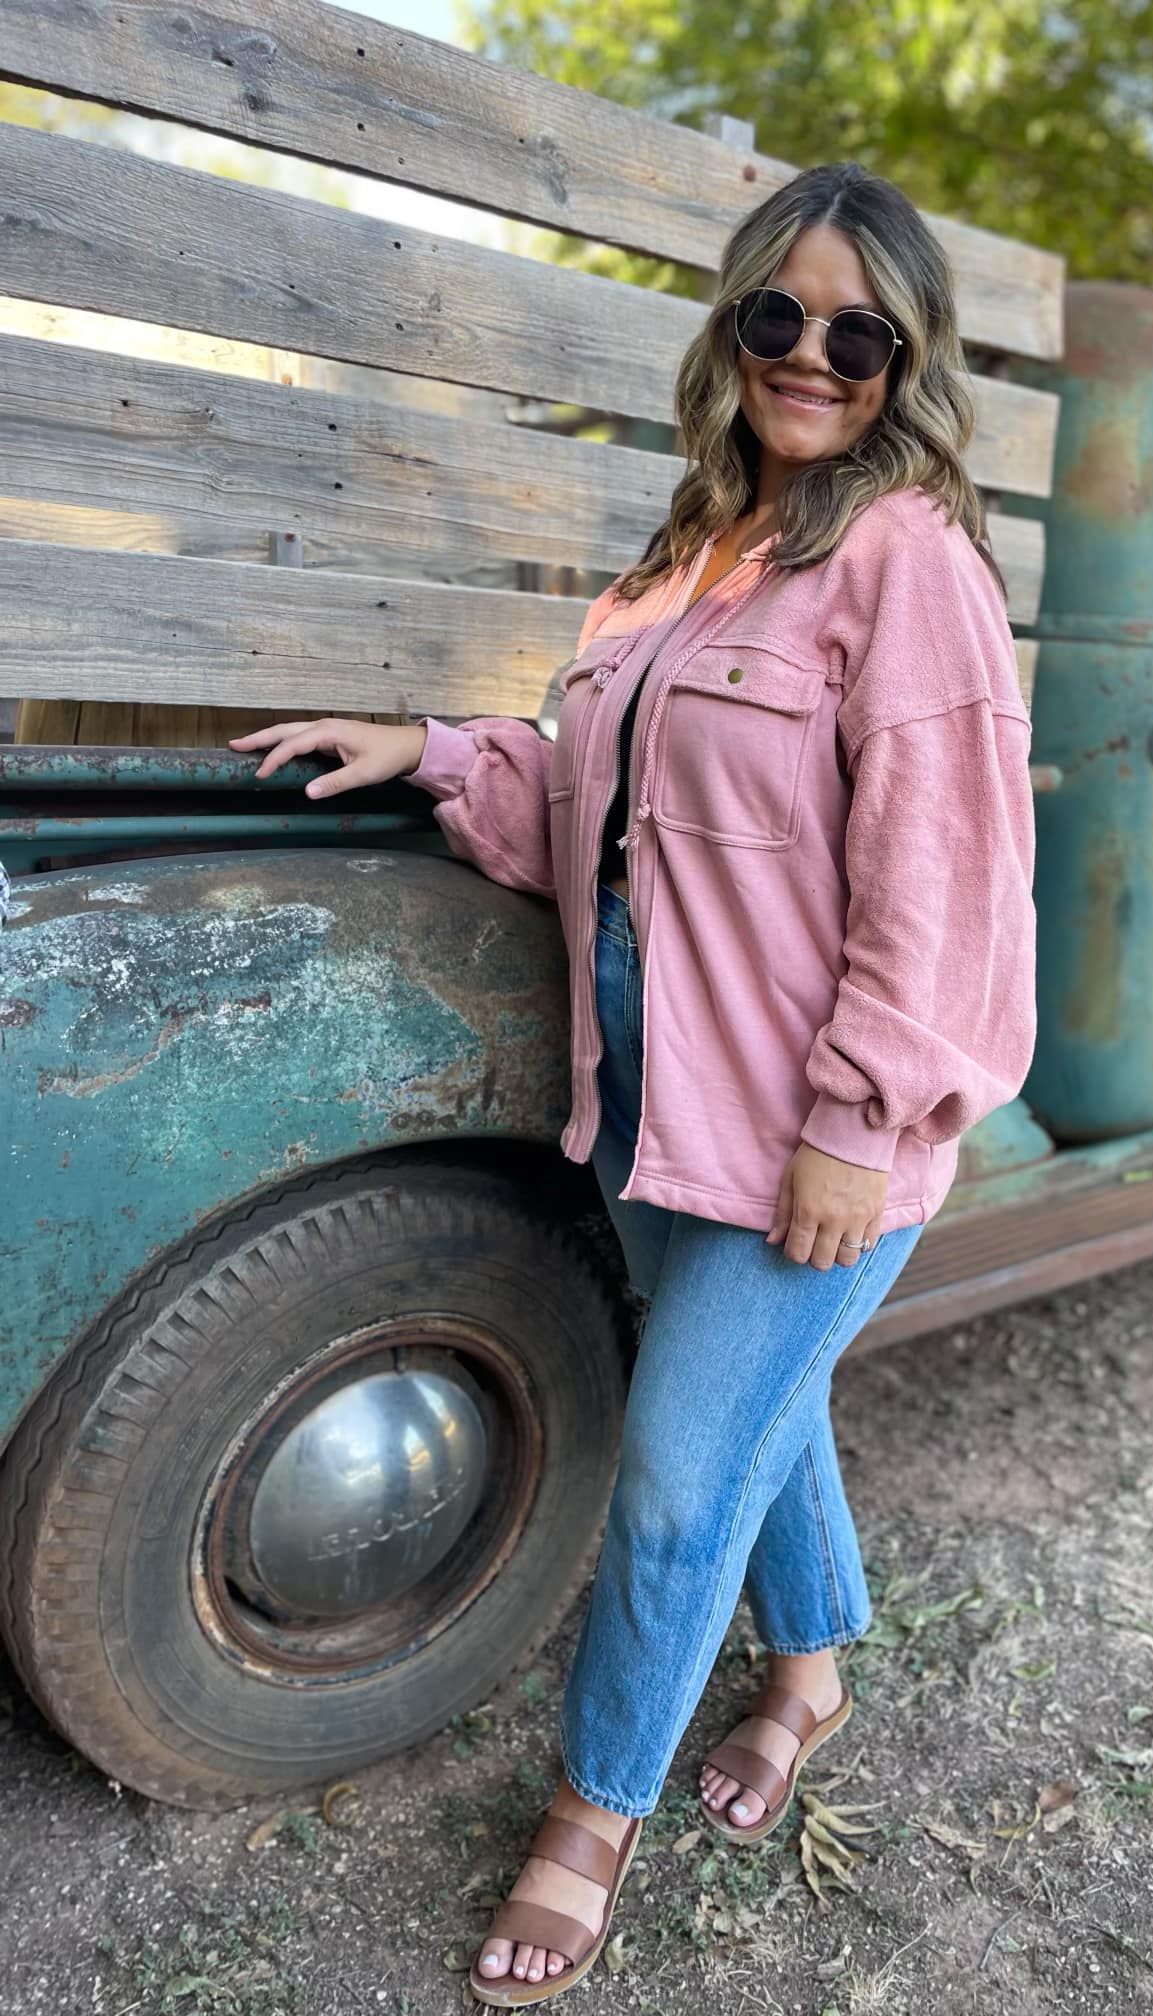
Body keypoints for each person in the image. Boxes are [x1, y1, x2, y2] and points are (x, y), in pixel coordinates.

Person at [229, 159, 1037, 2006]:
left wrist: (857, 1124)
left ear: (907, 360)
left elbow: (948, 888)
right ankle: (810, 1675)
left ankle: (593, 1815)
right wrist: (433, 749)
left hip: (808, 1113)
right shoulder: (686, 555)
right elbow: (596, 816)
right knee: (758, 1408)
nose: (810, 355)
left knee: (677, 1469)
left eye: (858, 333)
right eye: (778, 316)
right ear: (733, 328)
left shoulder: (908, 563)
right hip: (650, 1081)